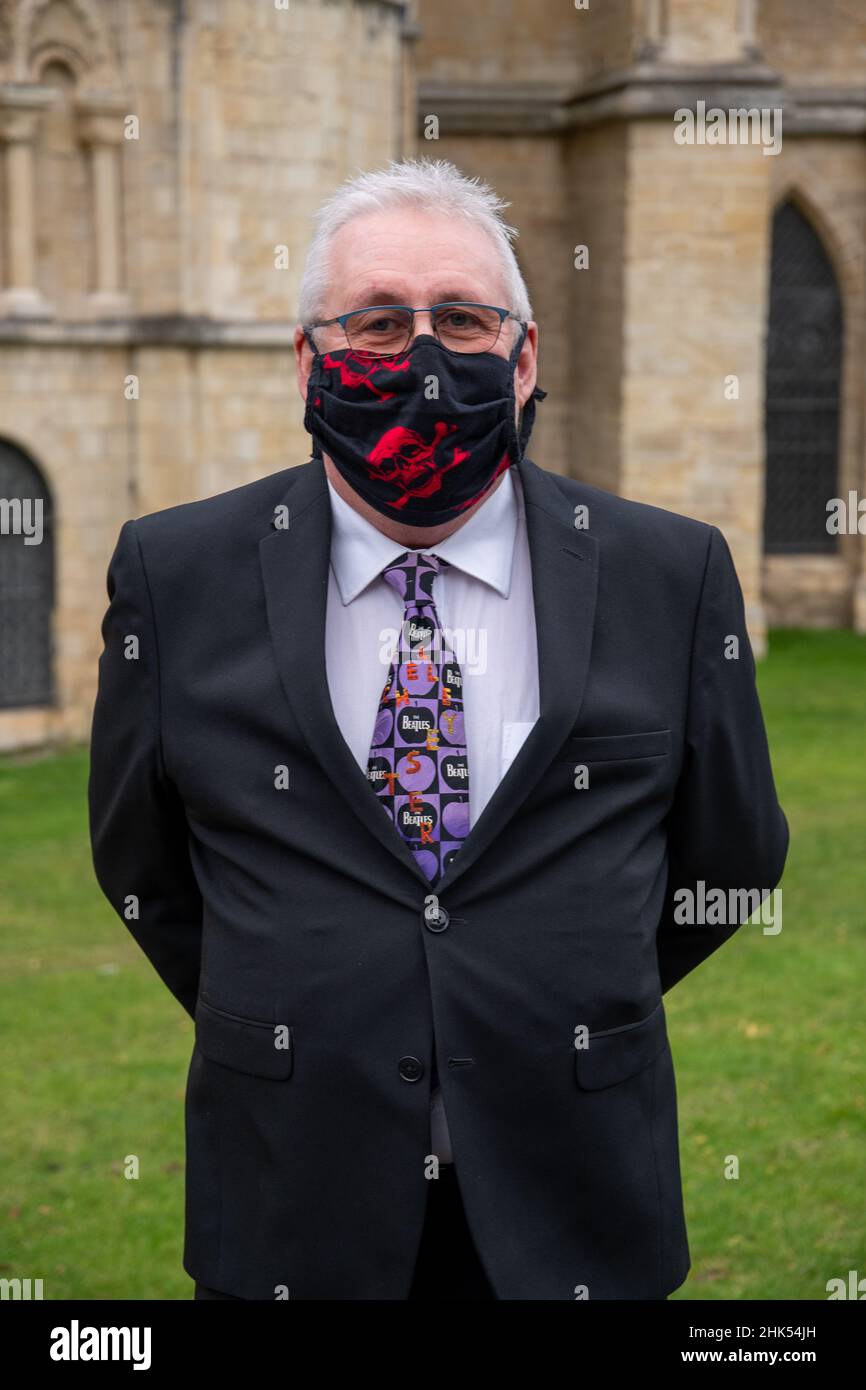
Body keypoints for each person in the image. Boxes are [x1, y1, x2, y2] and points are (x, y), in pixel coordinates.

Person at [88, 157, 789, 1301]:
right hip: (290, 1208)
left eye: (460, 318)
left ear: (523, 361)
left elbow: (732, 853)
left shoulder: (668, 573)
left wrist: (557, 986)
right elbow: (144, 864)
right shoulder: (177, 571)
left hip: (574, 1205)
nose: (419, 354)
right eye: (375, 322)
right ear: (308, 362)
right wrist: (297, 1003)